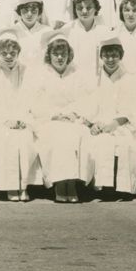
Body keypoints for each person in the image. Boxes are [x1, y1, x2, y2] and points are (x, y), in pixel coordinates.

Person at [78, 35, 136, 201]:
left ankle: (123, 188)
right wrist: (92, 124)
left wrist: (115, 123)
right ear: (101, 57)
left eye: (114, 55)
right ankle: (104, 187)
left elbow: (131, 109)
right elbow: (86, 106)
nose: (110, 59)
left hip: (121, 124)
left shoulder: (129, 79)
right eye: (106, 55)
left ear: (120, 56)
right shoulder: (94, 79)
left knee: (124, 143)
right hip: (98, 125)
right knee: (100, 141)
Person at [28, 30, 87, 203]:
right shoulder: (41, 75)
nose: (60, 58)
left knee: (74, 134)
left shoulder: (77, 73)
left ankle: (72, 183)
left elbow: (85, 99)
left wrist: (72, 113)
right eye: (56, 53)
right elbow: (36, 103)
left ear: (69, 55)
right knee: (58, 135)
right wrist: (55, 115)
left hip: (73, 119)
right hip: (48, 120)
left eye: (63, 53)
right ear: (49, 55)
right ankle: (61, 184)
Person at [0, 28, 39, 201]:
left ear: (18, 53)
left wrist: (21, 119)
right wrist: (6, 120)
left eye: (13, 52)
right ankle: (10, 186)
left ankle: (23, 185)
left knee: (24, 138)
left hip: (22, 118)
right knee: (5, 138)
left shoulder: (25, 71)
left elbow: (28, 97)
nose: (9, 56)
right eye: (4, 53)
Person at [66, 0, 110, 69]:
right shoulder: (67, 30)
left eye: (89, 7)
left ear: (96, 8)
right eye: (80, 8)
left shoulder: (105, 31)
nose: (84, 11)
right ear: (75, 9)